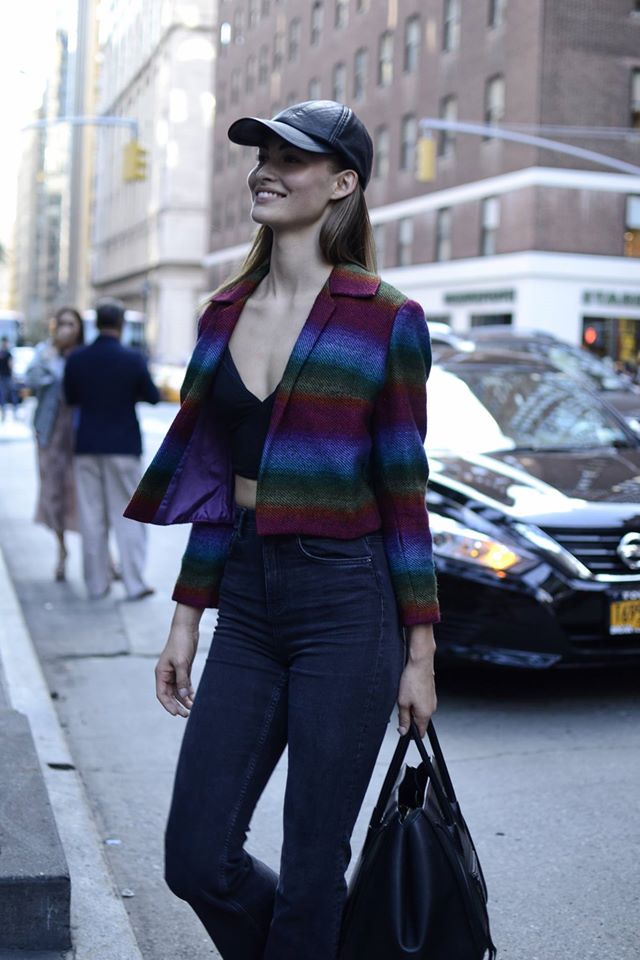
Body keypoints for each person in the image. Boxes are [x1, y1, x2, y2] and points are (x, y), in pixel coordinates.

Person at [124, 100, 440, 960]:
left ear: (342, 184)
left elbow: (404, 493)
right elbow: (214, 485)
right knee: (196, 858)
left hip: (348, 600)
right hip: (249, 601)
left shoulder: (385, 317)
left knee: (312, 871)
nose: (266, 169)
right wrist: (186, 619)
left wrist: (420, 653)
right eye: (262, 155)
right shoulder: (223, 312)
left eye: (292, 158)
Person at [64, 298, 160, 600]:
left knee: (92, 517)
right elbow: (153, 396)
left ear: (96, 324)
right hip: (123, 445)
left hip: (87, 444)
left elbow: (70, 398)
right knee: (127, 515)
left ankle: (96, 583)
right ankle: (134, 583)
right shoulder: (133, 358)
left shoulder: (77, 358)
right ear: (121, 324)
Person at [26, 307, 84, 580]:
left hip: (79, 434)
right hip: (49, 432)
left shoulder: (83, 355)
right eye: (62, 324)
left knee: (84, 495)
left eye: (71, 324)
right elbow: (30, 380)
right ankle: (61, 551)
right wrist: (51, 356)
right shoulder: (44, 353)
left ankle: (104, 556)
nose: (66, 329)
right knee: (53, 493)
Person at [0, 335, 17, 421]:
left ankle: (14, 411)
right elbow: (11, 365)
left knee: (10, 394)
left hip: (6, 376)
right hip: (4, 376)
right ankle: (7, 412)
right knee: (5, 394)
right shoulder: (5, 353)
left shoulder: (7, 353)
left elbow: (11, 364)